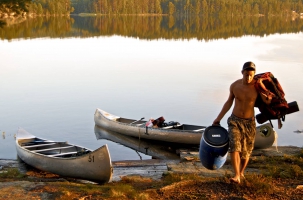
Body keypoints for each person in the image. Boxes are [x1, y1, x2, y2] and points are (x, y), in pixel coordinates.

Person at [212, 61, 258, 184]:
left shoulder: (257, 87)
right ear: (242, 72)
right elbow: (228, 103)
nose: (248, 78)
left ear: (254, 75)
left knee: (246, 151)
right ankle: (237, 175)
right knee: (234, 147)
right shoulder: (234, 86)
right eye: (246, 74)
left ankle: (241, 172)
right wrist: (218, 118)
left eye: (251, 75)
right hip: (235, 121)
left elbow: (267, 102)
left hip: (250, 123)